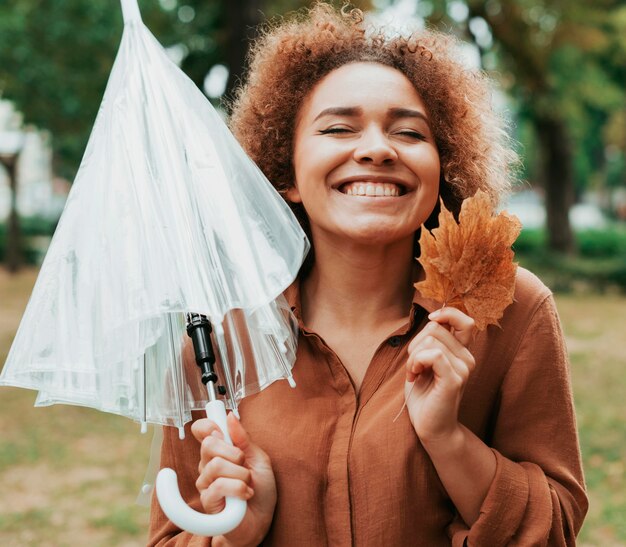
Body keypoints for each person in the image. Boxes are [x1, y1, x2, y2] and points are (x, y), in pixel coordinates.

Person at [148, 4, 587, 545]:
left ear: (442, 165)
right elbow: (171, 535)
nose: (377, 149)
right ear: (285, 173)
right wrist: (235, 532)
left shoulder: (512, 310)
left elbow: (557, 529)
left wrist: (448, 440)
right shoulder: (215, 339)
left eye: (408, 132)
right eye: (338, 128)